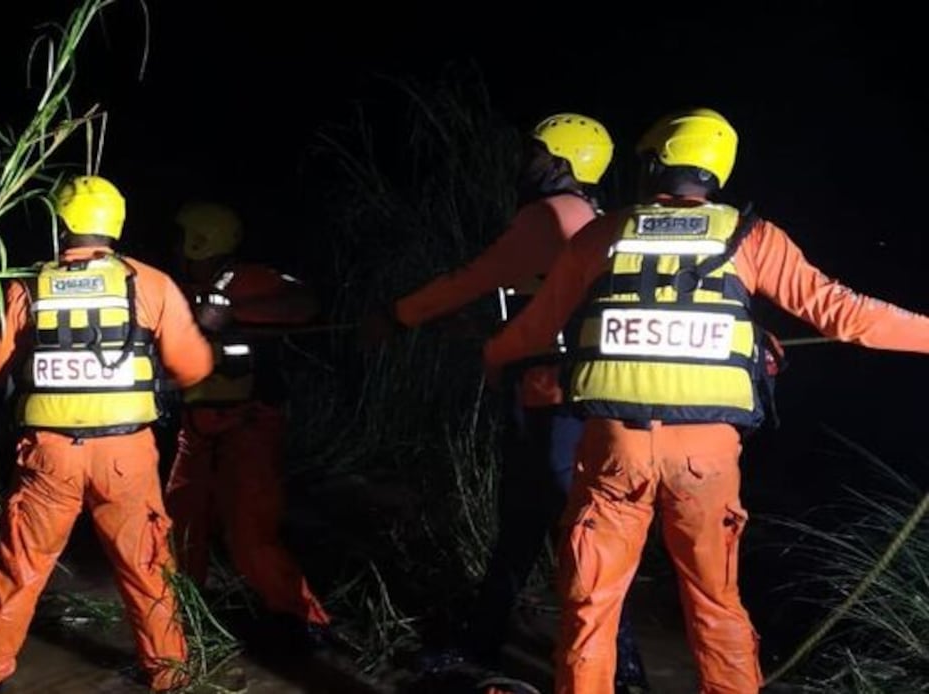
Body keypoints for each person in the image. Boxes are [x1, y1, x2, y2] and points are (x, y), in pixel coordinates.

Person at [482, 107, 929, 694]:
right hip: (706, 462)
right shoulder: (753, 239)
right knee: (715, 605)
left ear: (655, 165)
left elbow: (536, 331)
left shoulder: (602, 234)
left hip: (613, 452)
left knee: (591, 607)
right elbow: (846, 315)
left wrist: (491, 356)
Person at [364, 113, 649, 692]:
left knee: (558, 530)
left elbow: (471, 277)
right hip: (574, 398)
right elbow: (541, 301)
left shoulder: (548, 216)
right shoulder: (590, 218)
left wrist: (397, 316)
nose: (527, 163)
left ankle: (612, 664)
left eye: (538, 153)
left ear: (562, 163)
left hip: (552, 403)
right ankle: (494, 641)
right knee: (542, 528)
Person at [0, 175, 214, 693]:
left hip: (48, 456)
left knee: (21, 570)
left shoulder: (27, 285)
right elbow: (193, 369)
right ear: (115, 225)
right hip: (126, 457)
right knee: (147, 571)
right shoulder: (151, 284)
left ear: (60, 223)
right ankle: (169, 678)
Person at [163, 200, 333, 642]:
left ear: (201, 241)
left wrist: (232, 317)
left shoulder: (246, 279)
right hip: (196, 428)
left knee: (251, 533)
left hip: (248, 424)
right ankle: (184, 612)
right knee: (179, 525)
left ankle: (304, 620)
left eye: (182, 238)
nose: (175, 246)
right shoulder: (175, 287)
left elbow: (304, 302)